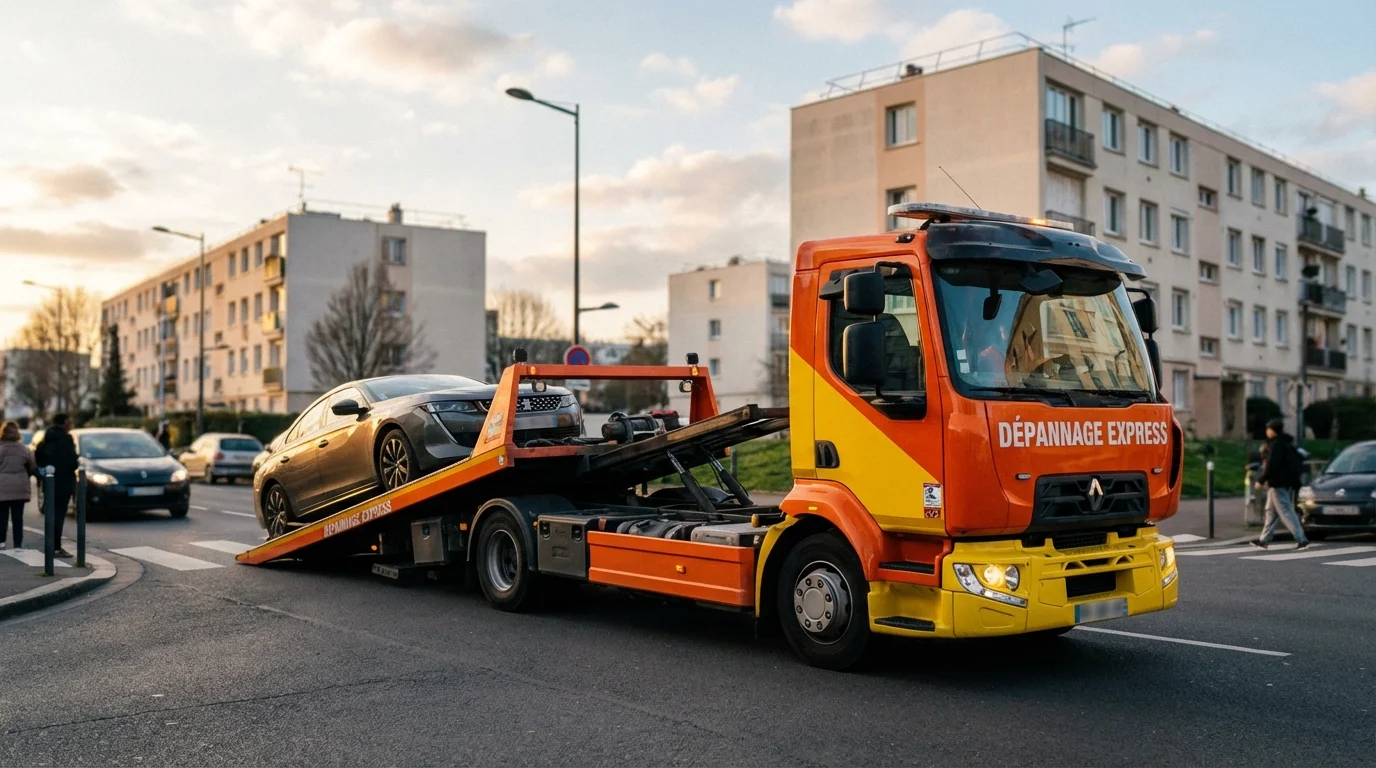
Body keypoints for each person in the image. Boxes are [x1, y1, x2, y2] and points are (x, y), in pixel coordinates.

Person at [1251, 417, 1309, 551]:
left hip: (1277, 483)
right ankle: (1263, 540)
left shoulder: (1276, 445)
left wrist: (1261, 479)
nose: (1266, 431)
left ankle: (1302, 539)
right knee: (1270, 512)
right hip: (1283, 482)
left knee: (1286, 511)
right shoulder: (1285, 443)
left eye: (1268, 429)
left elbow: (1272, 465)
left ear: (1273, 431)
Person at [34, 413, 79, 558]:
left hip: (49, 481)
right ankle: (56, 547)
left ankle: (50, 545)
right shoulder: (66, 439)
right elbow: (72, 462)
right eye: (69, 421)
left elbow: (38, 457)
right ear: (65, 422)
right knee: (59, 514)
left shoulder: (46, 437)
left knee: (50, 513)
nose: (70, 423)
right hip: (64, 480)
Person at [0, 421, 37, 550]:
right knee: (18, 518)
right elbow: (33, 466)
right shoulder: (24, 449)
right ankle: (17, 544)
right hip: (20, 487)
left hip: (2, 487)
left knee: (2, 517)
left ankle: (1, 542)